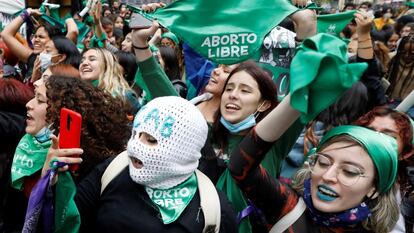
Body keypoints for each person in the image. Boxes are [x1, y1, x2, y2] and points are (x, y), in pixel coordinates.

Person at [73, 96, 238, 232]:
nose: (134, 146)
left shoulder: (213, 208)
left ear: (183, 150)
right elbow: (71, 219)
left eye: (151, 140)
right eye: (135, 135)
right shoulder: (113, 170)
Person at [5, 74, 131, 231]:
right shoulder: (25, 145)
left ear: (60, 113)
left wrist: (49, 180)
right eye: (33, 97)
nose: (29, 105)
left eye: (40, 100)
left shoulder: (82, 164)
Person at [229, 117, 399, 232]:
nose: (328, 176)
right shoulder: (288, 207)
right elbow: (240, 165)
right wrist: (293, 104)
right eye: (323, 162)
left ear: (374, 189)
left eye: (349, 172)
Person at [1, 8, 78, 80]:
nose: (35, 40)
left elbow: (73, 31)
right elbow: (6, 34)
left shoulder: (61, 57)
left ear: (53, 40)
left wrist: (68, 20)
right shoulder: (33, 58)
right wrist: (27, 12)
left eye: (41, 37)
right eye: (35, 36)